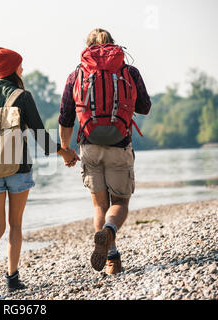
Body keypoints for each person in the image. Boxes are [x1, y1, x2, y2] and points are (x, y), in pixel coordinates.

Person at [0, 47, 77, 299]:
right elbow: (40, 136)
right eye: (20, 65)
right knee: (15, 224)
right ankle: (12, 279)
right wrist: (65, 153)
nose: (23, 69)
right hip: (18, 169)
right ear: (13, 69)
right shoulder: (23, 96)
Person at [58, 29, 151, 274]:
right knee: (120, 202)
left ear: (87, 47)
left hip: (89, 146)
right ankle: (109, 231)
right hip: (120, 144)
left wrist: (66, 149)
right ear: (113, 45)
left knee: (99, 205)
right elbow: (145, 107)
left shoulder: (76, 74)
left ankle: (111, 256)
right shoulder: (128, 71)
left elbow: (66, 117)